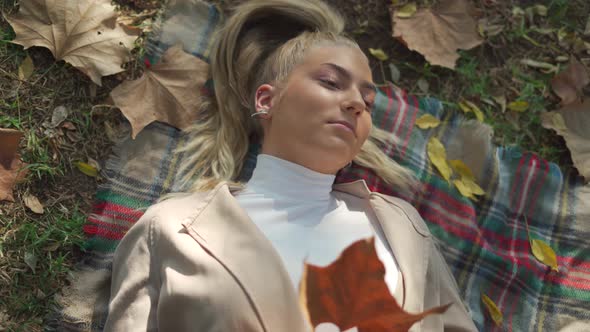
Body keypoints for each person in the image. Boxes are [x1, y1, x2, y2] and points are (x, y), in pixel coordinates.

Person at [104, 0, 478, 331]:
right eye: (331, 82)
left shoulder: (403, 226)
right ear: (266, 100)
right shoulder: (170, 230)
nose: (357, 104)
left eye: (367, 99)